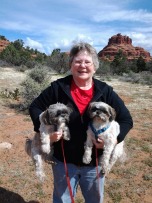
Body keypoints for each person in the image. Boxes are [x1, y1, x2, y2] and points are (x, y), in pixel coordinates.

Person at [29, 42, 133, 203]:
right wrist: (45, 131)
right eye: (77, 61)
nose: (82, 66)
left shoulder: (104, 91)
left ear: (95, 66)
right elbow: (35, 107)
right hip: (63, 161)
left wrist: (112, 142)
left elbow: (126, 120)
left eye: (87, 62)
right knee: (62, 200)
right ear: (71, 64)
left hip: (94, 163)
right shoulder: (58, 87)